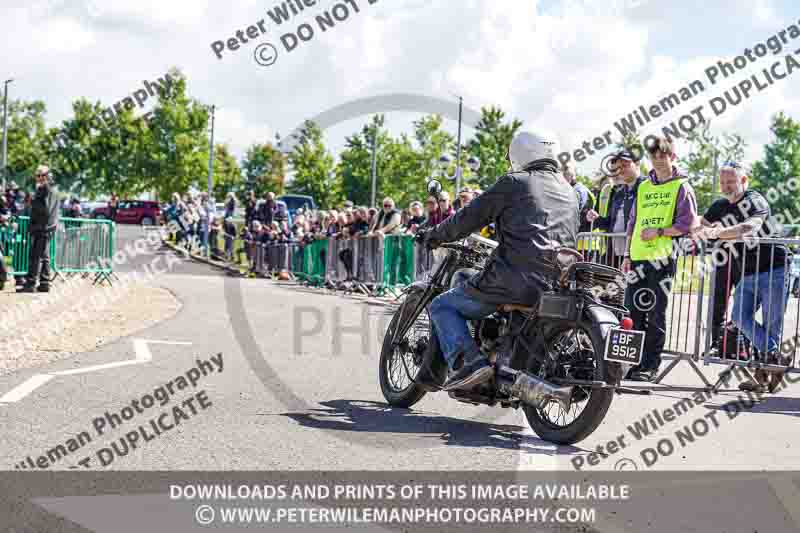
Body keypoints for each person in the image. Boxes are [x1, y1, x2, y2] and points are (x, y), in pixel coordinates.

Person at [423, 130, 579, 391]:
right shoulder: (569, 191)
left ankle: (469, 364)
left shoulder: (515, 182)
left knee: (442, 306)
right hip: (555, 284)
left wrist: (435, 234)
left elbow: (469, 217)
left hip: (513, 278)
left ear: (520, 152)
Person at [694, 163, 790, 392]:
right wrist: (702, 229)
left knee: (771, 324)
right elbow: (699, 226)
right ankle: (776, 358)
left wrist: (718, 232)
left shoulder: (755, 200)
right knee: (738, 317)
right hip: (746, 272)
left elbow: (749, 228)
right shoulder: (719, 206)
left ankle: (762, 378)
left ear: (743, 181)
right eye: (723, 182)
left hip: (774, 270)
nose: (726, 187)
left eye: (731, 182)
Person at [622, 137, 698, 382]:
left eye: (663, 156)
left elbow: (687, 224)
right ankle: (633, 364)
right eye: (654, 157)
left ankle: (650, 365)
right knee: (634, 313)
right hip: (637, 257)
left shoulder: (681, 187)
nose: (658, 161)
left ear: (672, 157)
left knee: (655, 313)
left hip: (662, 259)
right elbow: (633, 222)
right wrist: (626, 254)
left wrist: (660, 232)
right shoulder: (644, 186)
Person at [586, 150, 644, 269]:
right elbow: (610, 223)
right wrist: (596, 219)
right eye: (618, 167)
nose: (621, 170)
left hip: (636, 254)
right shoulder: (619, 193)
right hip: (613, 254)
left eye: (625, 165)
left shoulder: (648, 187)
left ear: (637, 164)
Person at [21, 165, 60, 293]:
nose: (39, 178)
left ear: (48, 176)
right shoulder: (51, 189)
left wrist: (33, 200)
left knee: (35, 256)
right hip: (46, 227)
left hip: (43, 227)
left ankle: (31, 284)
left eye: (42, 175)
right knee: (44, 256)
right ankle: (44, 283)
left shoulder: (46, 189)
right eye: (37, 175)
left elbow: (45, 209)